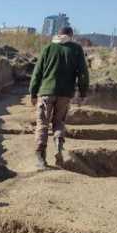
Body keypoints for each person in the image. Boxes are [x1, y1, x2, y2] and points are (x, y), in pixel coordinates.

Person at [29, 26, 90, 169]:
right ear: (71, 35)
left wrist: (33, 92)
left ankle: (40, 157)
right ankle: (58, 146)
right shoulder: (76, 49)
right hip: (65, 94)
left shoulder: (48, 48)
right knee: (59, 122)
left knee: (42, 123)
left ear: (58, 34)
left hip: (46, 92)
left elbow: (37, 72)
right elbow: (83, 73)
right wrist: (83, 92)